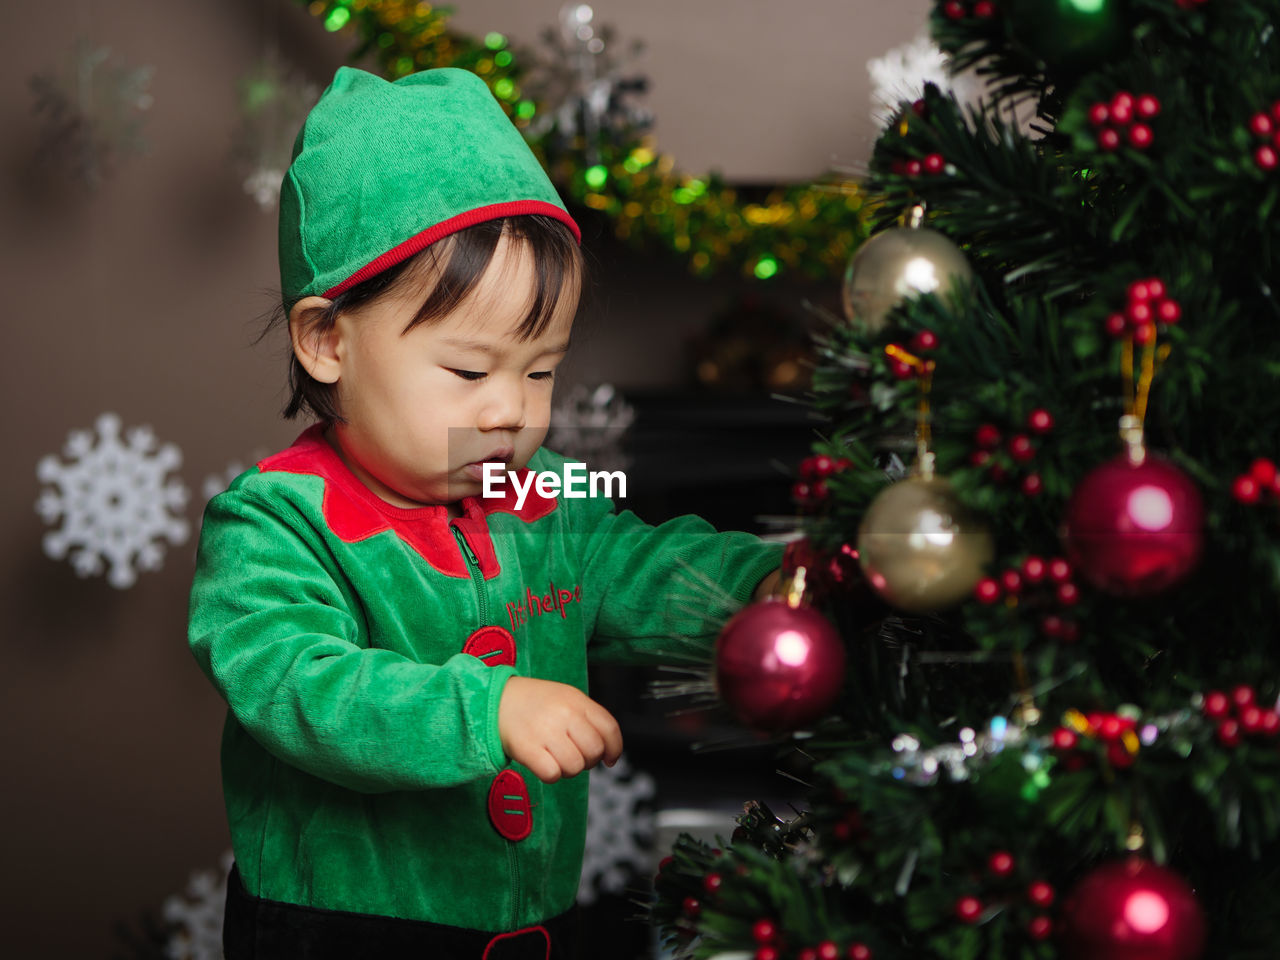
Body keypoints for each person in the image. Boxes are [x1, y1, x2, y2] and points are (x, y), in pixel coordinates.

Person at [188, 66, 783, 960]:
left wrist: (775, 583)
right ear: (328, 342)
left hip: (528, 919)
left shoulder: (531, 487)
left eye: (540, 371)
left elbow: (639, 563)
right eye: (470, 372)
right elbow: (300, 686)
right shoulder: (274, 522)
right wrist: (488, 709)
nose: (512, 409)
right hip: (345, 932)